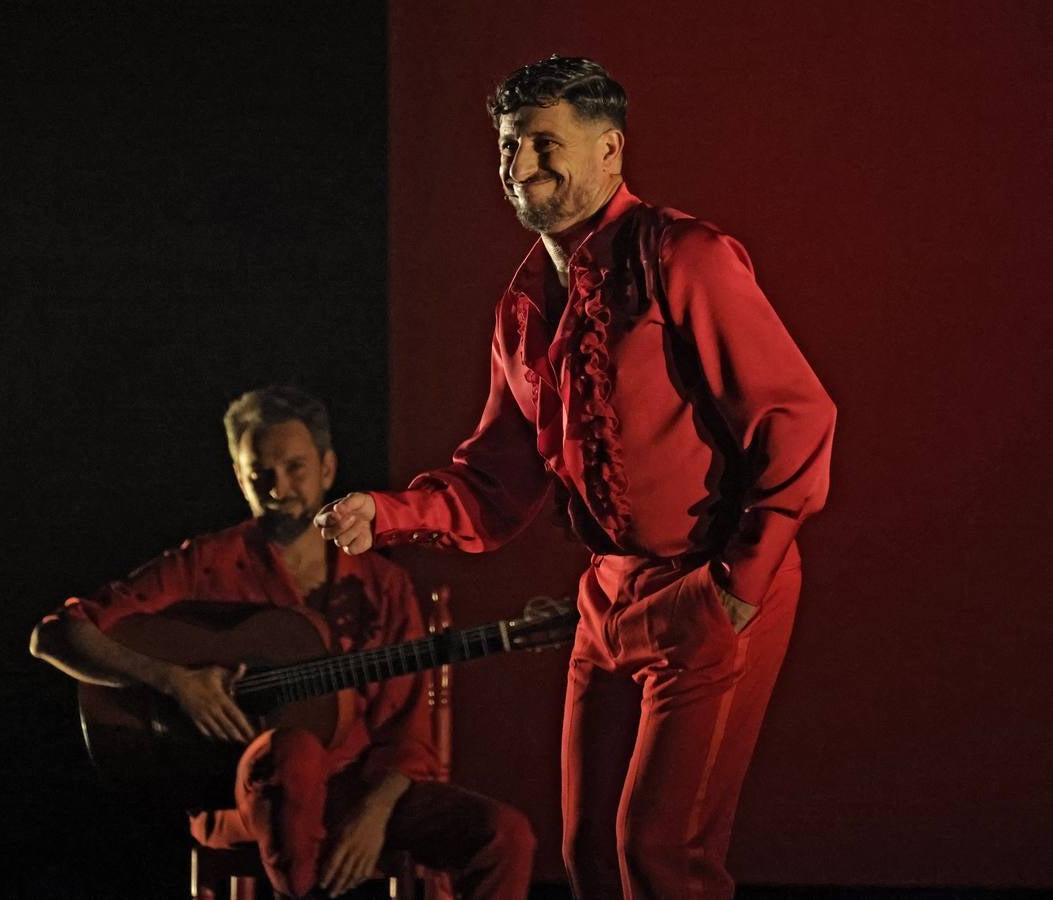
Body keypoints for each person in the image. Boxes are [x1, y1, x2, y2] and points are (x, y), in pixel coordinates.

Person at [316, 56, 836, 899]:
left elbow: (794, 416)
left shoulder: (683, 255)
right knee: (588, 852)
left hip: (707, 581)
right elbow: (494, 482)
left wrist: (735, 586)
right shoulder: (522, 302)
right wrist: (384, 512)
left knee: (659, 853)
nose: (519, 167)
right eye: (507, 146)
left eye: (542, 144)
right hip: (605, 597)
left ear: (609, 150)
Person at [30, 385, 534, 899]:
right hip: (245, 793)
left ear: (327, 468)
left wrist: (373, 814)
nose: (279, 488)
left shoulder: (382, 585)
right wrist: (176, 681)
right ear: (239, 476)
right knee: (293, 751)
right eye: (260, 474)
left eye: (295, 467)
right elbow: (55, 635)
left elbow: (408, 735)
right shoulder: (206, 563)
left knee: (504, 836)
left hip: (362, 790)